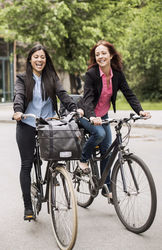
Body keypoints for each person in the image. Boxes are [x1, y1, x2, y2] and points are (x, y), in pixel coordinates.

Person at [13, 44, 83, 220]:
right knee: (27, 164)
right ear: (30, 59)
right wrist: (18, 111)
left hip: (48, 124)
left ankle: (55, 174)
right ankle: (28, 207)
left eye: (42, 57)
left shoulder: (51, 77)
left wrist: (75, 109)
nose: (39, 60)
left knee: (56, 155)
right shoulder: (22, 78)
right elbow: (19, 96)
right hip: (27, 123)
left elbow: (63, 94)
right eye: (36, 57)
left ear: (46, 60)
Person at [78, 40, 151, 200]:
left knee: (107, 152)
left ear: (111, 55)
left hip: (102, 115)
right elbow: (88, 98)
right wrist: (91, 116)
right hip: (86, 115)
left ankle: (106, 188)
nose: (100, 56)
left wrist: (140, 111)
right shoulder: (91, 74)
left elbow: (128, 93)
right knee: (99, 134)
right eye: (97, 54)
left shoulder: (117, 74)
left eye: (104, 53)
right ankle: (83, 160)